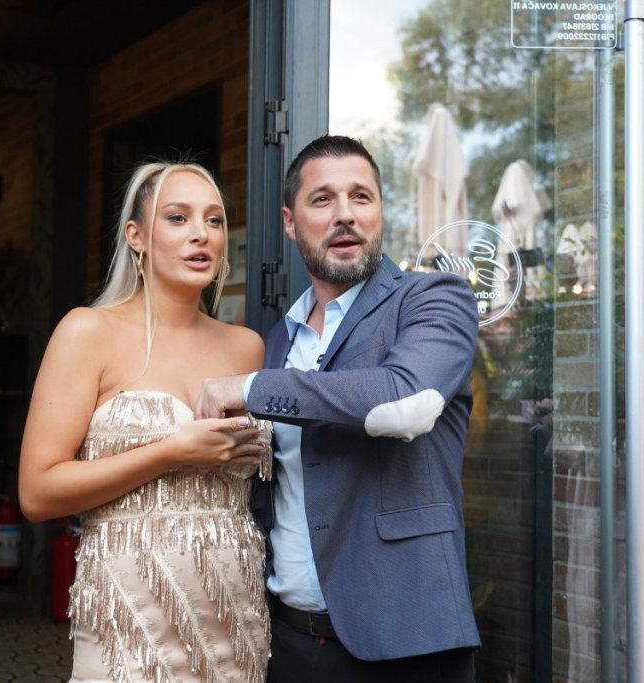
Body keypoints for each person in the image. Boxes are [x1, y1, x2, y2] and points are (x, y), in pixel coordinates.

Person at [195, 135, 481, 682]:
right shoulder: (278, 341)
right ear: (289, 222)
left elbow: (406, 404)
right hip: (290, 642)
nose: (345, 214)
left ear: (380, 211)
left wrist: (251, 387)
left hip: (409, 641)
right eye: (323, 199)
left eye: (361, 197)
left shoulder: (433, 298)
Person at [18, 161, 273, 683]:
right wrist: (170, 452)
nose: (201, 234)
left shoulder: (246, 347)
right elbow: (38, 493)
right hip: (129, 625)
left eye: (214, 220)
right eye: (178, 218)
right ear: (136, 236)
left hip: (234, 618)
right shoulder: (88, 332)